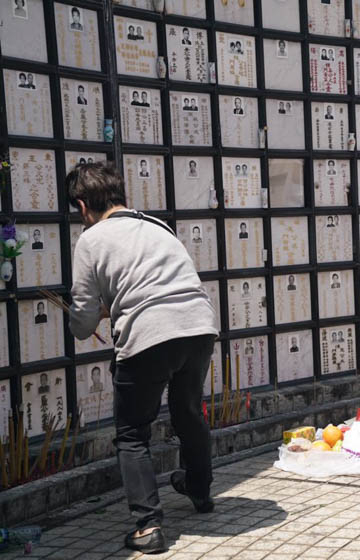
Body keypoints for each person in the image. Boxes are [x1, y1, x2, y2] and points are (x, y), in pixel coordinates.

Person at [66, 162, 218, 554]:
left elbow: (82, 322)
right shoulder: (157, 225)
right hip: (199, 325)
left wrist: (90, 313)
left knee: (133, 433)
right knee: (188, 412)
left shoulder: (91, 239)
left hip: (150, 335)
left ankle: (148, 526)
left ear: (82, 206)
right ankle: (200, 492)